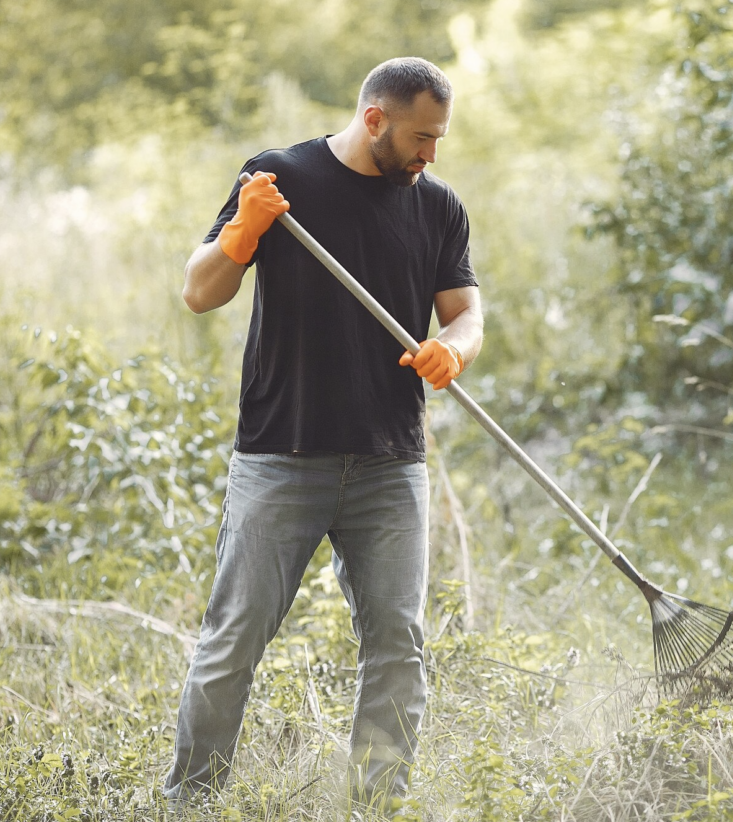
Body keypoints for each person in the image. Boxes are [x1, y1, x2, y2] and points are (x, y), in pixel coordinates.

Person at [164, 56, 483, 813]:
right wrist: (242, 231)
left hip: (391, 463)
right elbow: (200, 292)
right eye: (420, 137)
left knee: (398, 648)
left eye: (439, 138)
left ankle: (376, 807)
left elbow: (467, 313)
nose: (430, 153)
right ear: (375, 119)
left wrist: (453, 348)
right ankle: (189, 804)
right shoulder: (281, 178)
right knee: (233, 640)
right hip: (282, 454)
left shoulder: (438, 206)